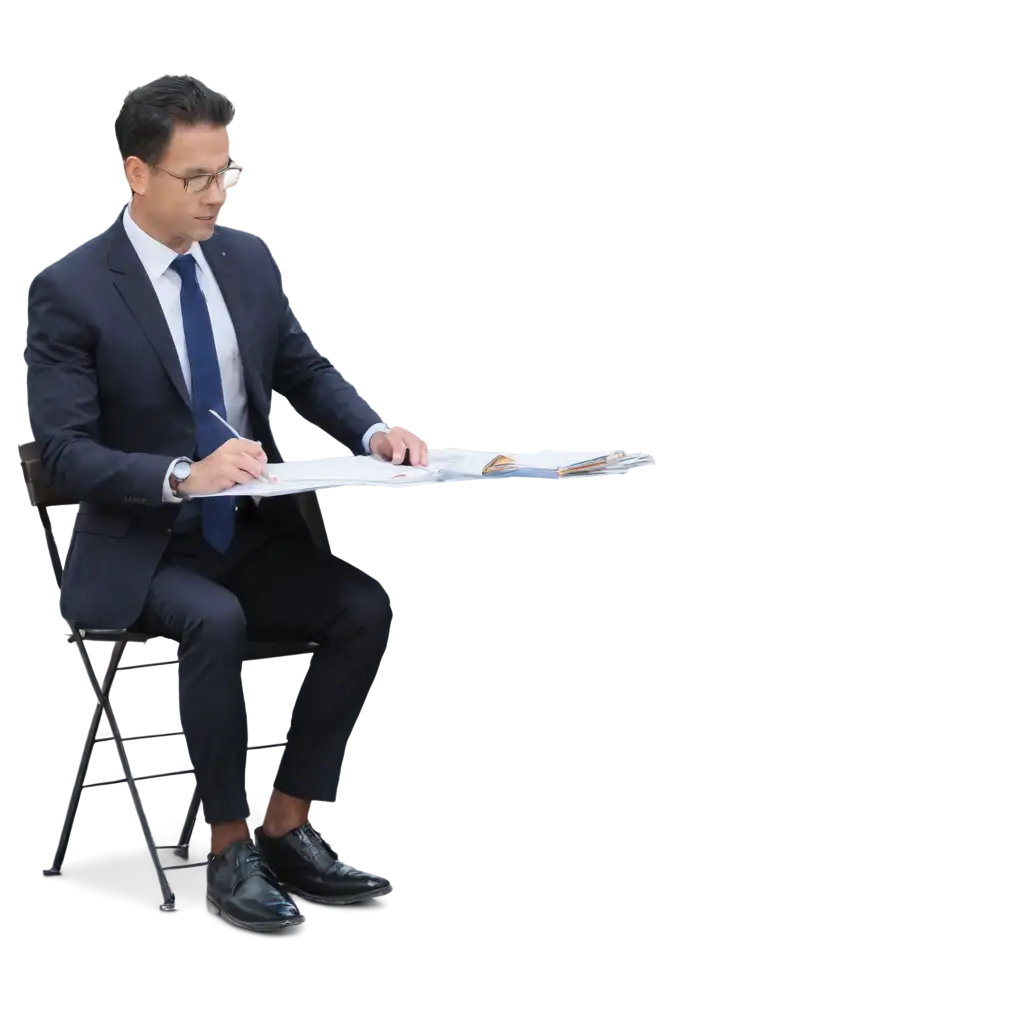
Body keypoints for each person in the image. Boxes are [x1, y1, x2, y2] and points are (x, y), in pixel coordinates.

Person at [25, 74, 429, 934]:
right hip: (143, 547)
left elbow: (302, 372)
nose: (218, 195)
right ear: (136, 174)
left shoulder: (245, 261)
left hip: (245, 534)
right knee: (217, 622)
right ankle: (225, 847)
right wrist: (181, 473)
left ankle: (287, 822)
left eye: (228, 171)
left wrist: (374, 432)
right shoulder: (72, 290)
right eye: (196, 178)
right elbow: (64, 451)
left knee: (362, 607)